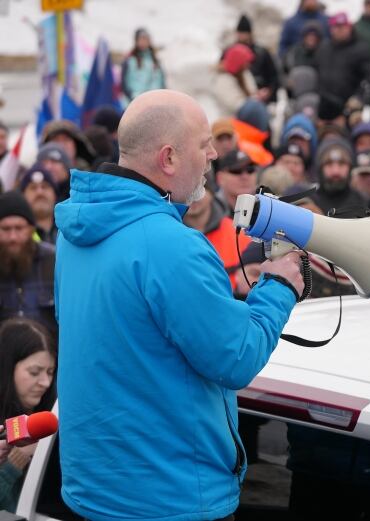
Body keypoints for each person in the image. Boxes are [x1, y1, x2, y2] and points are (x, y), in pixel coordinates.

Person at [54, 90, 304, 521]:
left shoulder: (74, 230)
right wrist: (280, 287)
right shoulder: (173, 245)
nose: (212, 156)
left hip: (94, 491)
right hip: (169, 499)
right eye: (204, 144)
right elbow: (236, 357)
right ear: (168, 158)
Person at [0, 318, 56, 512]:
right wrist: (17, 458)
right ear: (7, 368)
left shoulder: (51, 415)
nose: (45, 382)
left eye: (50, 372)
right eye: (35, 372)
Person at [0, 192, 56, 333]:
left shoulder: (54, 261)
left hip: (49, 352)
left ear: (31, 229)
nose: (13, 237)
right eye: (5, 229)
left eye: (19, 228)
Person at [313, 13, 370, 106]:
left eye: (343, 27)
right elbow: (316, 71)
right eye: (336, 27)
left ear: (349, 28)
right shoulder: (323, 48)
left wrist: (358, 97)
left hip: (348, 103)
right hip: (324, 102)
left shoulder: (360, 49)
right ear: (331, 29)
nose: (339, 30)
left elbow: (367, 78)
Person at [310, 137, 367, 214]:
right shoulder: (309, 204)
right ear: (320, 169)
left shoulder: (363, 203)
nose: (335, 171)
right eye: (329, 164)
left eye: (342, 164)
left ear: (350, 168)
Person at [231, 15, 280, 104]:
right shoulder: (230, 53)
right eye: (240, 33)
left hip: (263, 97)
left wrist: (269, 92)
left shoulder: (262, 52)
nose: (242, 36)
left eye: (244, 33)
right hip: (239, 99)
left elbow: (274, 76)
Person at [121, 28, 166, 102]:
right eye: (141, 39)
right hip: (134, 100)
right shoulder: (130, 61)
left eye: (146, 39)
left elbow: (161, 82)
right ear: (136, 41)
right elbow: (124, 84)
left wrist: (159, 96)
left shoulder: (155, 61)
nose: (144, 42)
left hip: (154, 100)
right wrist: (133, 98)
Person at [19, 165, 59, 245]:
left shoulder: (68, 230)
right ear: (23, 196)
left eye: (45, 187)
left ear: (55, 195)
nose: (40, 192)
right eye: (33, 188)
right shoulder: (15, 235)